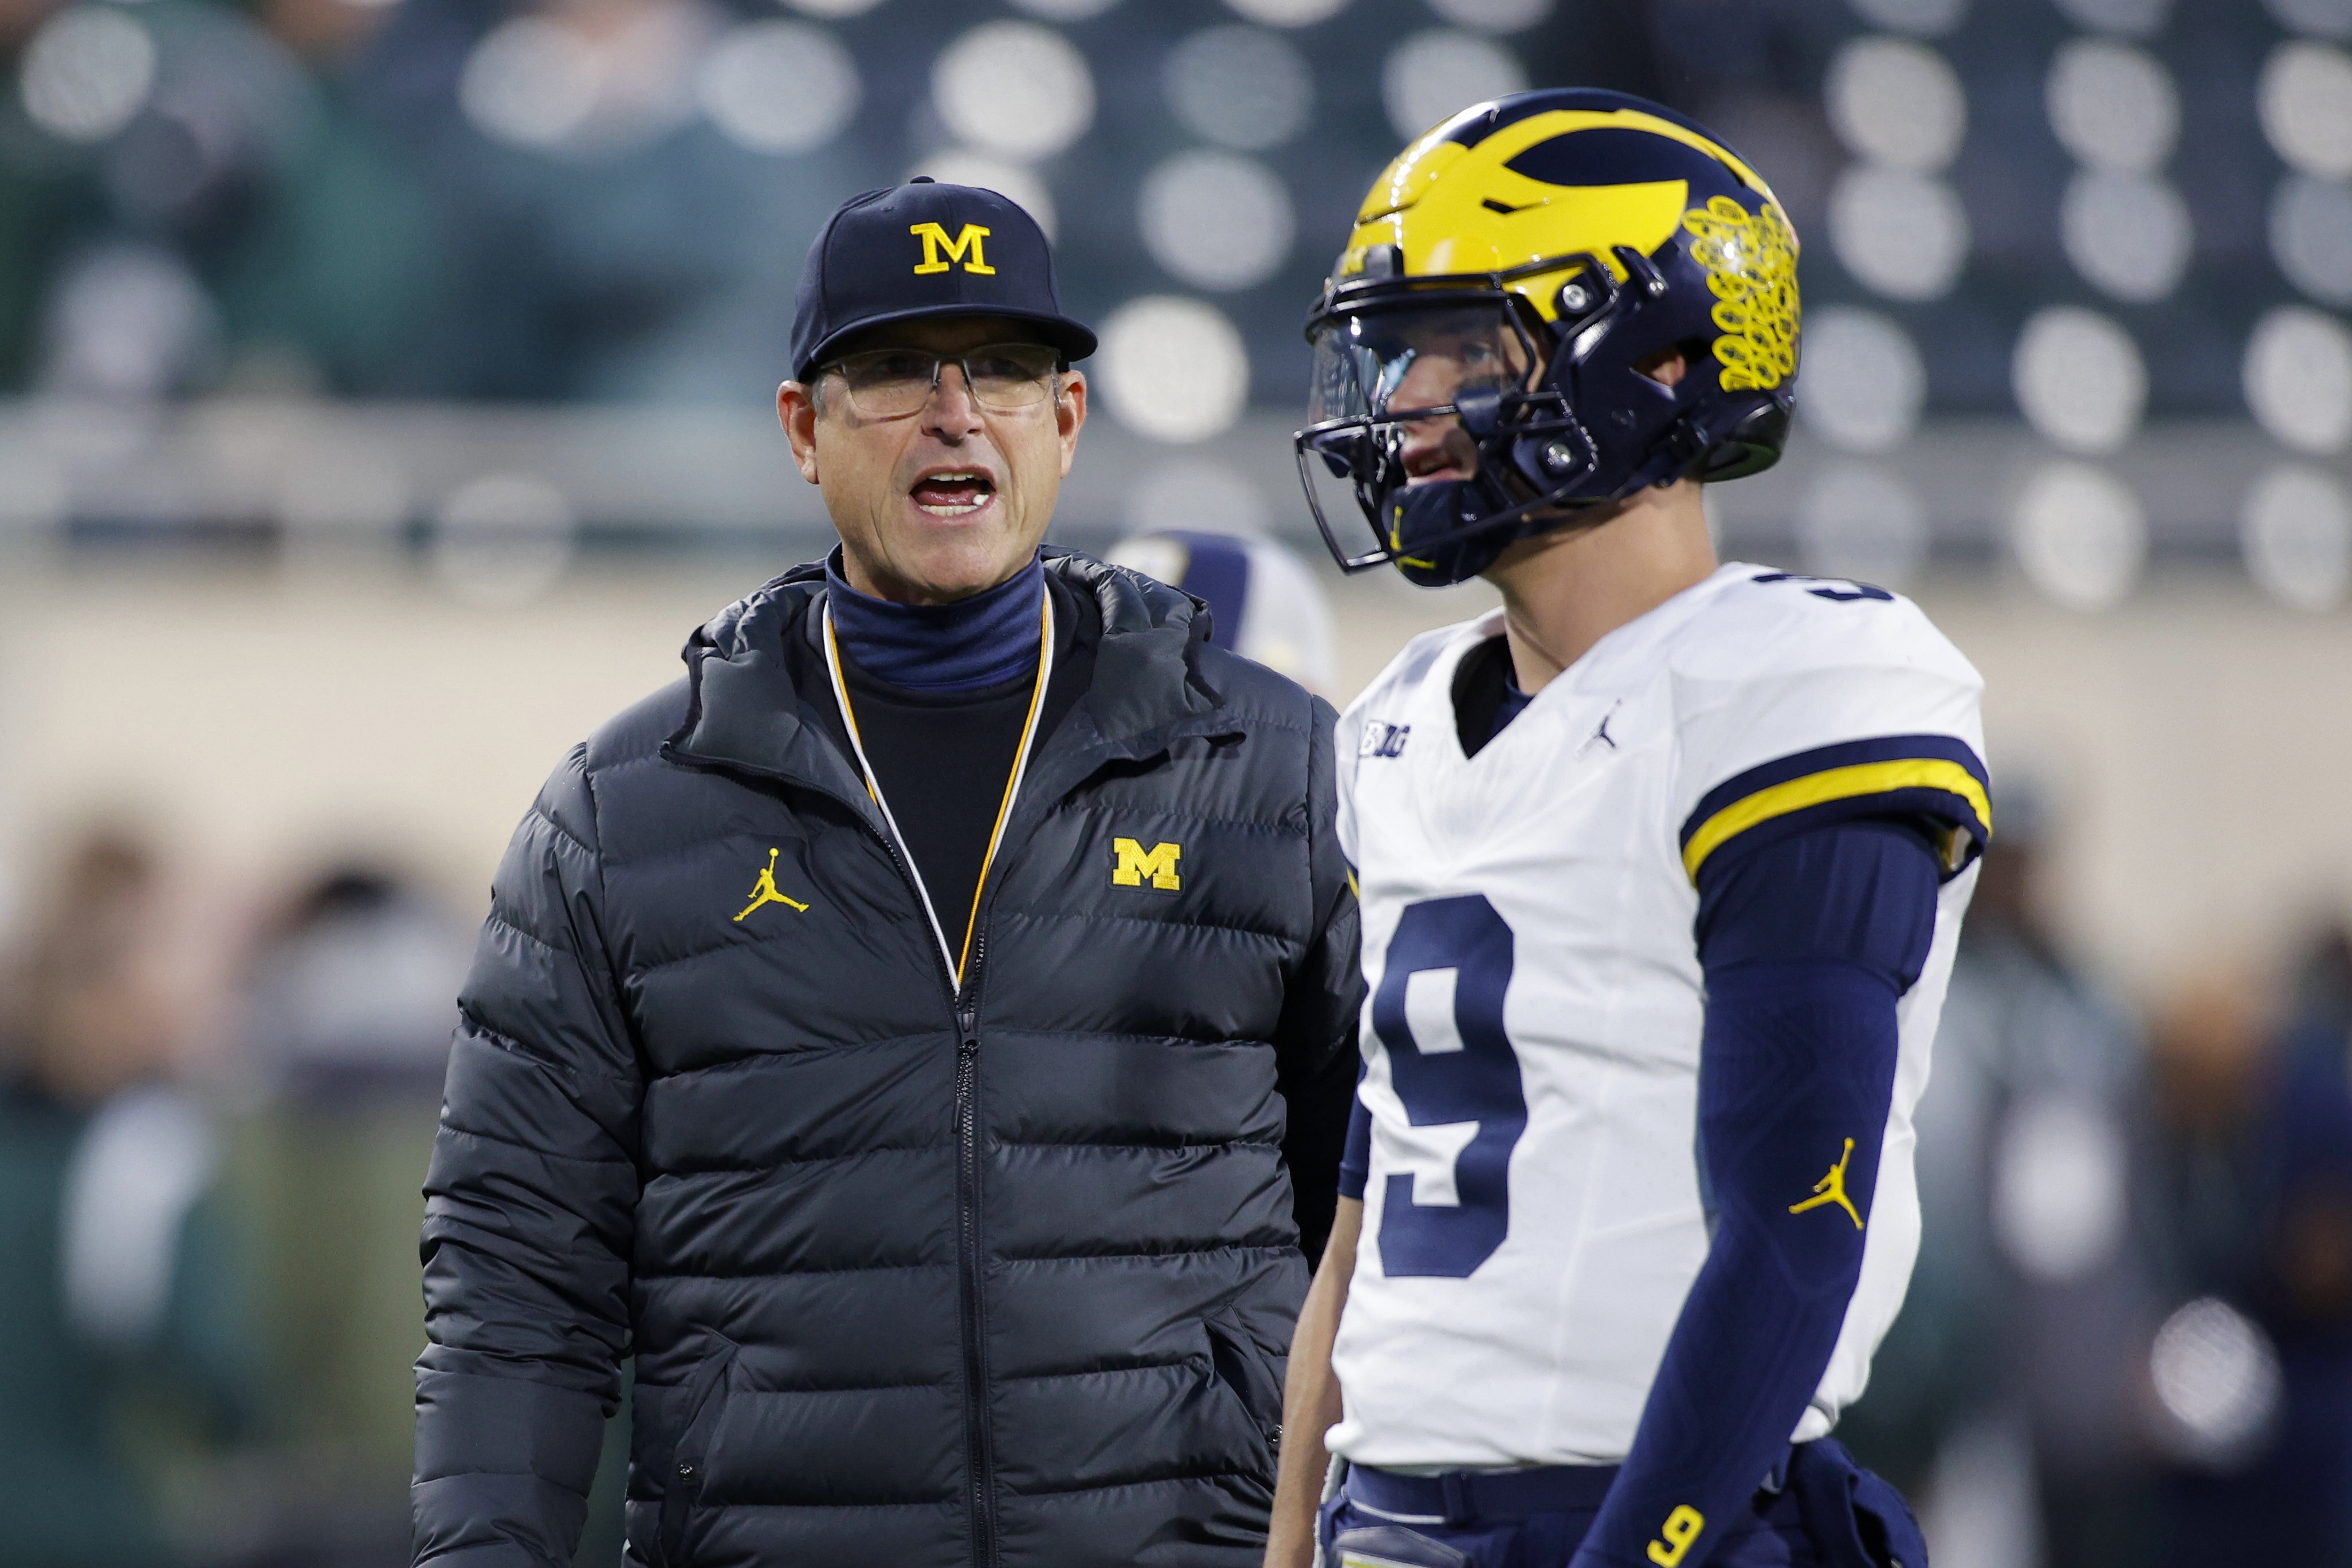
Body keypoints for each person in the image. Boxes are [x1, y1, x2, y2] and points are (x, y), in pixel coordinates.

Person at [412, 179, 1362, 1568]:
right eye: (895, 370)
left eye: (1006, 369)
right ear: (803, 428)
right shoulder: (624, 817)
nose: (956, 409)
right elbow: (514, 1285)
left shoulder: (1270, 769)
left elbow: (1393, 1214)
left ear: (1067, 420)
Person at [1267, 92, 1988, 1568]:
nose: (1404, 403)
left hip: (1659, 1512)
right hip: (1389, 1521)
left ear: (1655, 357)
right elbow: (1366, 1221)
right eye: (1396, 352)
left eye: (1464, 349)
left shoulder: (1796, 688)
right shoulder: (1400, 721)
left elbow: (1794, 1226)